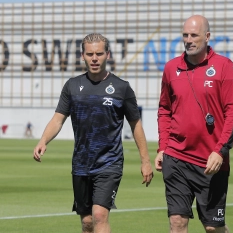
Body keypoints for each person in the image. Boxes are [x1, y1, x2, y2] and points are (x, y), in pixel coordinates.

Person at [33, 33, 154, 233]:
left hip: (109, 163)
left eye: (99, 53)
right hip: (81, 163)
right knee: (87, 222)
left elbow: (136, 125)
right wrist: (43, 140)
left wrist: (145, 161)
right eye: (90, 54)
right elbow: (58, 119)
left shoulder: (122, 88)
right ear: (83, 56)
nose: (94, 58)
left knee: (99, 215)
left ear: (107, 54)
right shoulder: (72, 86)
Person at [155, 15, 233, 233]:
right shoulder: (171, 68)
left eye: (194, 35)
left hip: (211, 163)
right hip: (176, 157)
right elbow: (164, 109)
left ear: (207, 37)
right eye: (185, 35)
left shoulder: (224, 66)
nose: (189, 40)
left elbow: (232, 112)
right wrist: (163, 147)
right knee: (177, 222)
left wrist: (220, 151)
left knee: (213, 228)